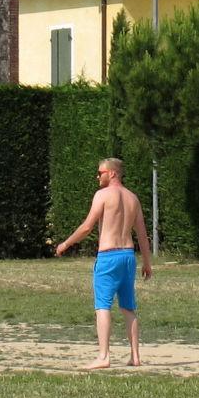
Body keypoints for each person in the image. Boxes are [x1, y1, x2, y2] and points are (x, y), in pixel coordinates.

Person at [54, 156, 151, 368]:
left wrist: (65, 244)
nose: (97, 176)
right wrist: (147, 262)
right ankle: (135, 356)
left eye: (101, 173)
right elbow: (142, 235)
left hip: (108, 256)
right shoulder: (133, 198)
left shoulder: (103, 195)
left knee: (102, 306)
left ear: (112, 173)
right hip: (128, 256)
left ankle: (103, 356)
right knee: (128, 307)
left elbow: (87, 227)